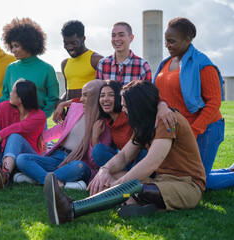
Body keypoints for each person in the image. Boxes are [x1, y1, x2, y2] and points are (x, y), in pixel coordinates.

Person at [44, 80, 206, 224]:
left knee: (133, 186)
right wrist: (104, 171)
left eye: (125, 107)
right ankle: (136, 206)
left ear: (137, 106)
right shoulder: (145, 123)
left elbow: (152, 162)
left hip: (187, 185)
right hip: (160, 181)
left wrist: (117, 186)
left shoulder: (167, 120)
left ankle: (72, 210)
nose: (123, 111)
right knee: (118, 178)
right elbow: (123, 156)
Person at [153, 17, 230, 189]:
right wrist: (161, 105)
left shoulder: (202, 64)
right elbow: (157, 94)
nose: (167, 45)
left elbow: (214, 102)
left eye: (172, 41)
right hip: (179, 130)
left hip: (205, 129)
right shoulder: (165, 63)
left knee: (198, 181)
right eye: (166, 41)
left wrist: (194, 130)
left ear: (187, 40)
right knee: (182, 175)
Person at [16, 80, 111, 190]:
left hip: (76, 161)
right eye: (82, 95)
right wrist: (42, 137)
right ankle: (58, 182)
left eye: (86, 95)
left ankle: (37, 177)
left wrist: (95, 137)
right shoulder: (76, 108)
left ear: (96, 96)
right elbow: (62, 127)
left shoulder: (104, 125)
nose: (81, 99)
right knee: (22, 159)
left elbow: (94, 163)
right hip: (58, 156)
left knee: (78, 167)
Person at [0, 18, 59, 120]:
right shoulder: (11, 68)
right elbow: (6, 95)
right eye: (11, 46)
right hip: (12, 120)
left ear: (28, 44)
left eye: (16, 46)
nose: (13, 50)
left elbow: (53, 99)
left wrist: (40, 117)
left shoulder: (47, 69)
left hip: (37, 123)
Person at [92, 80, 147, 170]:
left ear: (119, 97)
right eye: (102, 96)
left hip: (143, 162)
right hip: (126, 165)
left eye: (111, 95)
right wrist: (95, 137)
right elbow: (84, 100)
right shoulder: (108, 121)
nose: (105, 99)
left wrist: (162, 106)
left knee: (145, 150)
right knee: (98, 150)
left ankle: (128, 178)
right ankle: (127, 178)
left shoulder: (129, 113)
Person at [60, 20, 104, 101]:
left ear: (83, 39)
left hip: (90, 112)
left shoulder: (97, 60)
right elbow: (68, 92)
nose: (69, 47)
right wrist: (59, 104)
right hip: (71, 112)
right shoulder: (65, 64)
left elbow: (104, 92)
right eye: (66, 43)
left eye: (74, 43)